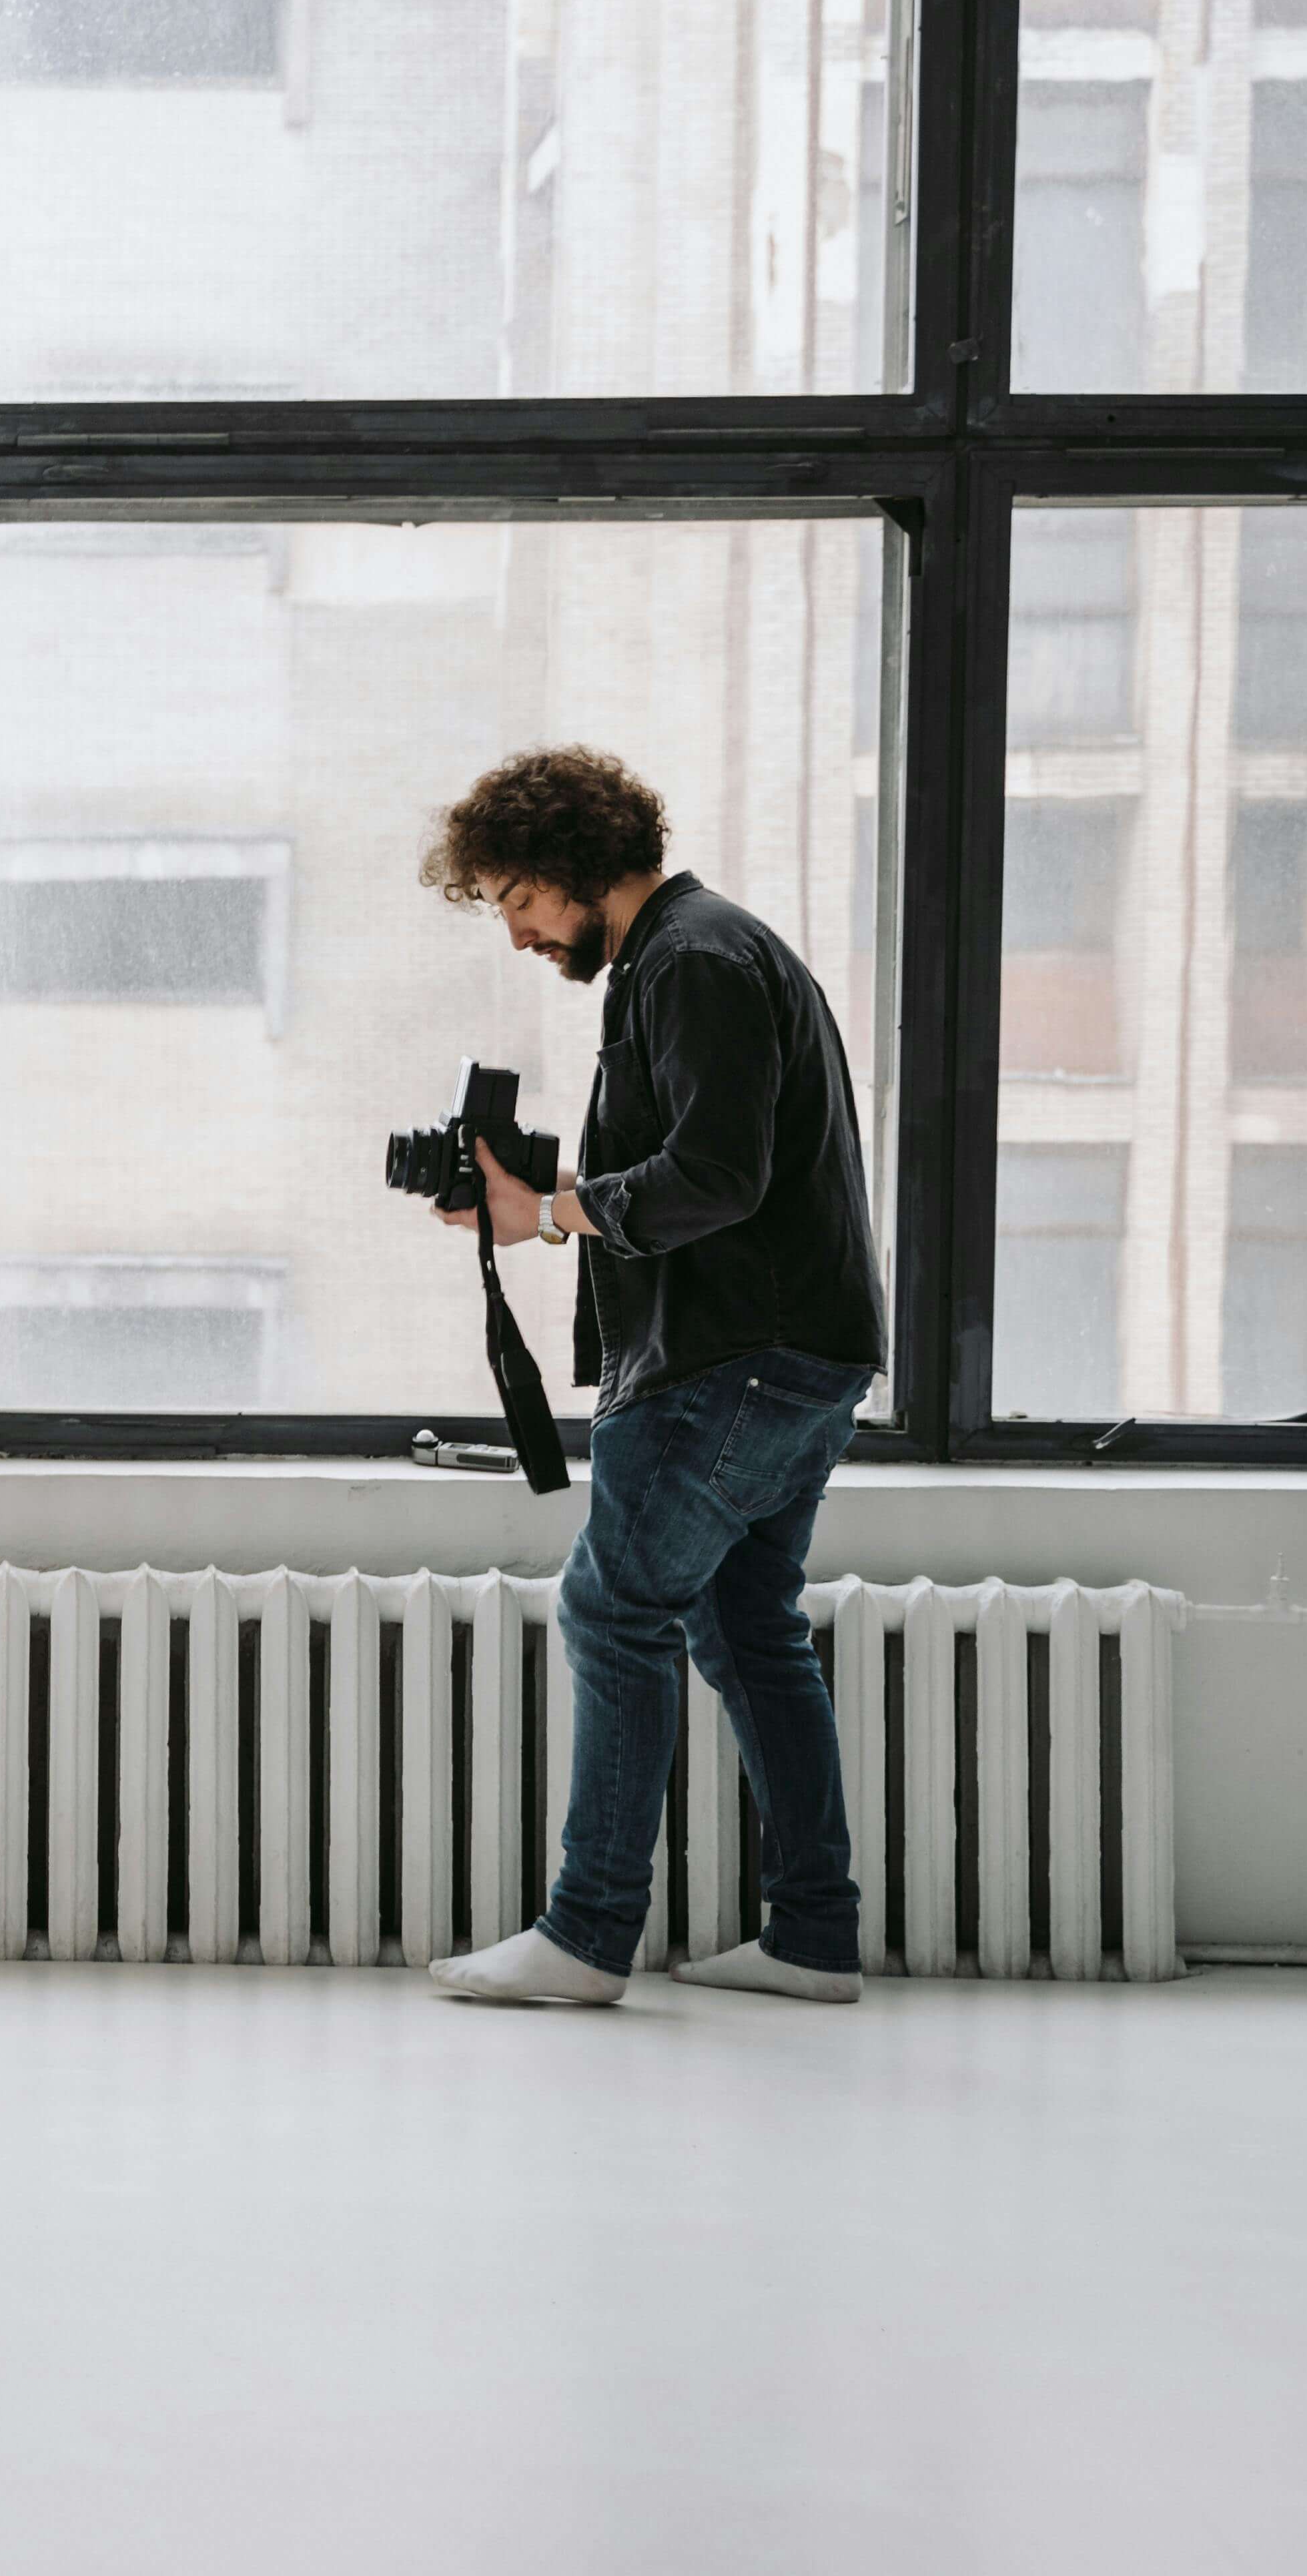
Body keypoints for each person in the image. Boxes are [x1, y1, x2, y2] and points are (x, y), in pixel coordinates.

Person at [414, 748, 887, 2008]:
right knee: (745, 1630)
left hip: (732, 1361)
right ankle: (814, 1936)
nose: (515, 933)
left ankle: (586, 1936)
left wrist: (560, 1211)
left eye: (517, 899)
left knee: (613, 1613)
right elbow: (715, 1163)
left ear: (571, 868)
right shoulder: (704, 955)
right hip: (796, 1355)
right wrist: (548, 1203)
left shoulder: (689, 960)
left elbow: (716, 1178)